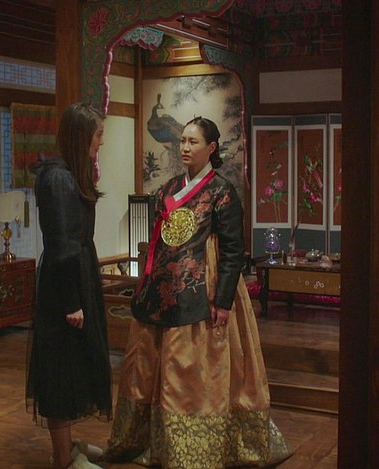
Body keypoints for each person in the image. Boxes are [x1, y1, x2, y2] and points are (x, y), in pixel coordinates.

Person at [104, 117, 293, 468]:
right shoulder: (168, 188)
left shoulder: (222, 192)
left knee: (191, 372)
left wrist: (222, 302)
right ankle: (154, 442)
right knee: (151, 366)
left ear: (211, 148)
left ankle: (199, 449)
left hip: (202, 292)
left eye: (193, 142)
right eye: (183, 141)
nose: (185, 148)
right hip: (162, 292)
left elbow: (233, 252)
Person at [26, 102, 112, 469]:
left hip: (79, 274)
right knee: (60, 370)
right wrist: (72, 301)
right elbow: (61, 244)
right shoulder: (57, 179)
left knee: (76, 364)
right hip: (65, 284)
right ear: (81, 136)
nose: (101, 141)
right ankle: (62, 458)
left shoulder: (71, 174)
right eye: (98, 135)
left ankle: (70, 445)